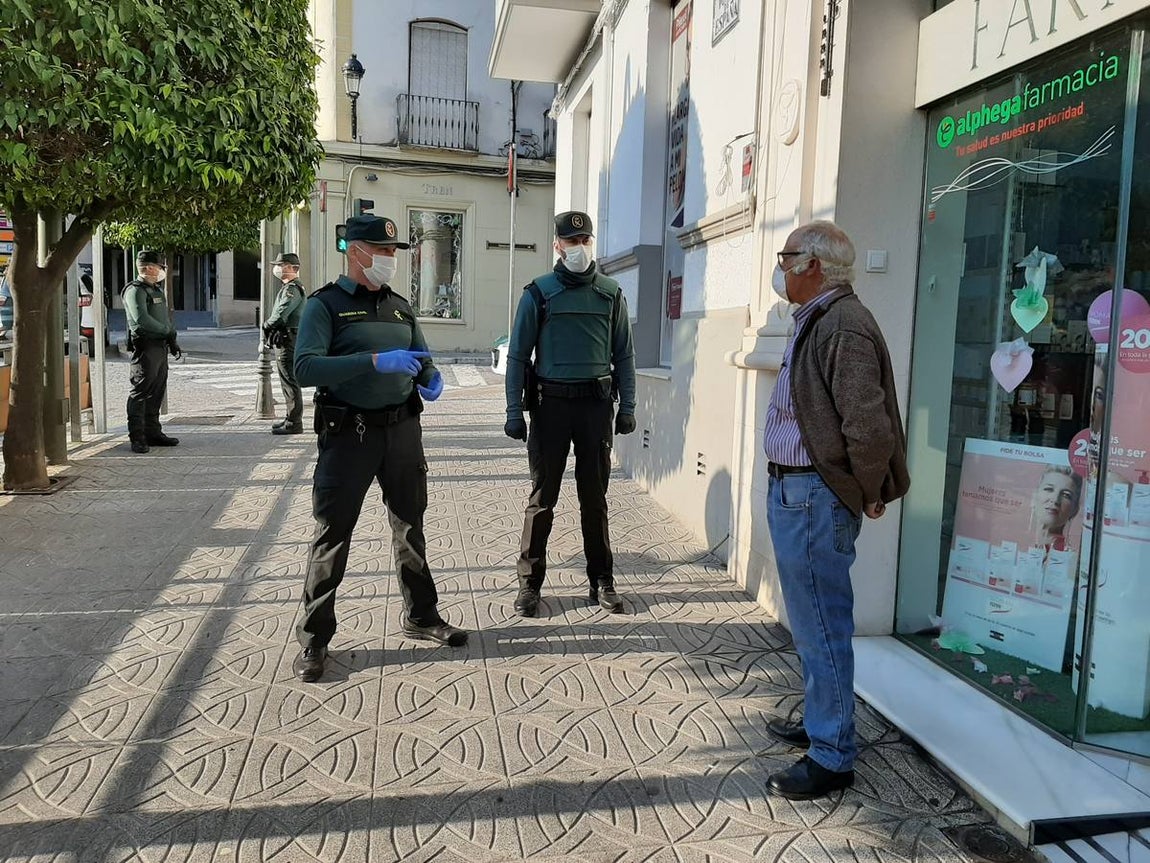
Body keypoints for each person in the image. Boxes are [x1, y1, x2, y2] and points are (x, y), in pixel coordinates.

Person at [762, 220, 910, 800]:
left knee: (823, 628)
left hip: (814, 497)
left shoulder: (842, 325)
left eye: (788, 256)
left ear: (814, 266)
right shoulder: (821, 319)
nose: (781, 267)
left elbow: (868, 429)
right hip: (798, 493)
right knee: (812, 626)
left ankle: (832, 755)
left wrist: (864, 491)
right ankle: (823, 722)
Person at [291, 214, 463, 683]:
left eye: (392, 252)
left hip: (402, 430)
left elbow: (422, 355)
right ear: (355, 251)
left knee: (411, 525)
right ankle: (314, 640)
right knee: (333, 534)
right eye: (381, 251)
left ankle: (421, 616)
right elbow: (304, 368)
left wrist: (430, 376)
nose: (389, 259)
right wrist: (371, 360)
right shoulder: (324, 306)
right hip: (350, 433)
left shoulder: (401, 307)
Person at [504, 210, 637, 617]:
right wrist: (513, 410)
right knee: (542, 499)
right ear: (556, 246)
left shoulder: (611, 294)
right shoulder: (538, 293)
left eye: (585, 241)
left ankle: (602, 581)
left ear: (590, 243)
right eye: (571, 242)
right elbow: (517, 356)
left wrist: (627, 406)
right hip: (551, 408)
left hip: (595, 406)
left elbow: (625, 355)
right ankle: (529, 585)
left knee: (594, 499)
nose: (578, 248)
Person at [122, 250, 180, 454]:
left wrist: (170, 339)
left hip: (160, 347)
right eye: (159, 266)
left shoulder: (155, 289)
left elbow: (162, 318)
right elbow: (141, 321)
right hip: (145, 347)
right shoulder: (135, 291)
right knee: (141, 391)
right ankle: (137, 437)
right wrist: (168, 331)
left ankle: (153, 432)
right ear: (147, 267)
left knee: (157, 391)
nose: (163, 270)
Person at [262, 252, 307, 434]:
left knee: (289, 380)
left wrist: (267, 324)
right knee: (287, 379)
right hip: (288, 337)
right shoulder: (292, 287)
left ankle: (294, 422)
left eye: (281, 265)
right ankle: (290, 417)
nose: (277, 268)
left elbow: (281, 313)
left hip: (288, 338)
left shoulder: (292, 289)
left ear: (290, 267)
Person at [1029, 466, 1082, 551]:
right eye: (1049, 489)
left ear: (1075, 509)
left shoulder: (1071, 559)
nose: (1055, 499)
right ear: (1033, 498)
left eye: (1066, 495)